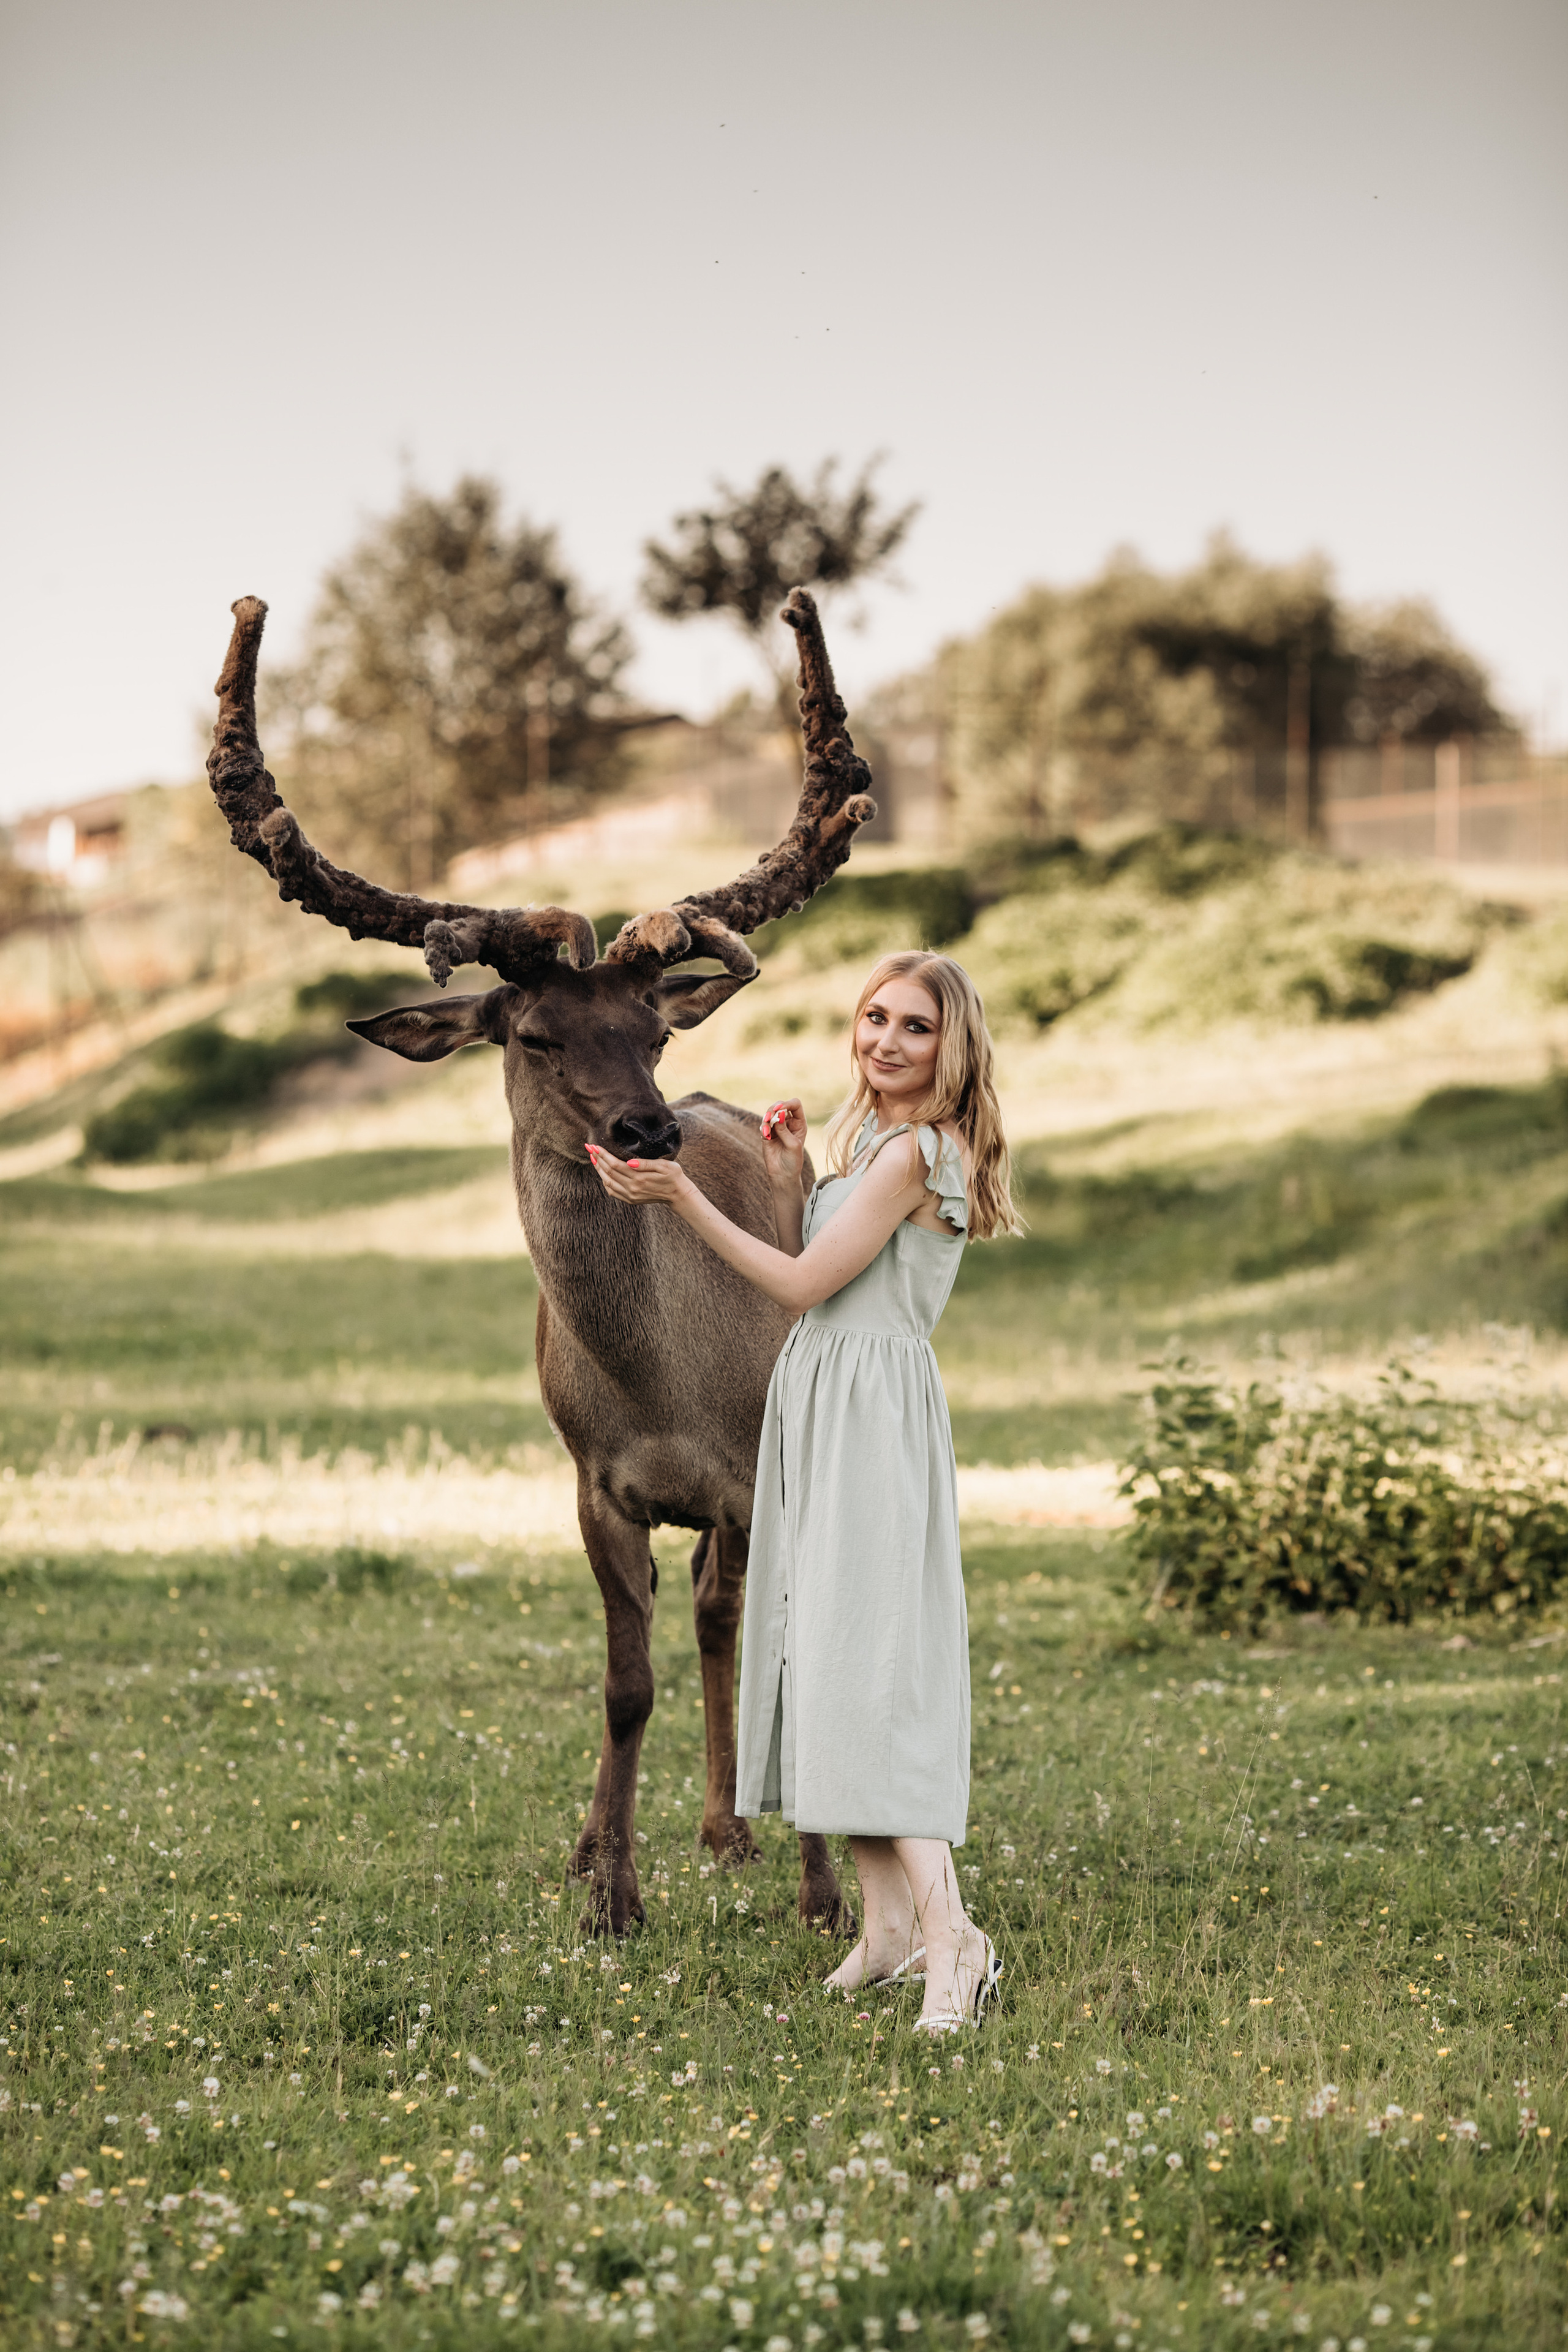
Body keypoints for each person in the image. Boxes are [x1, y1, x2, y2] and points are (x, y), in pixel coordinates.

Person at [588, 949, 1021, 2032]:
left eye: (914, 1027)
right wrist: (788, 1183)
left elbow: (797, 1284)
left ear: (952, 1045)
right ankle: (885, 1934)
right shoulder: (873, 1143)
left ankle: (953, 1940)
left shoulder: (917, 1151)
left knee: (869, 1674)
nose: (884, 1040)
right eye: (873, 1017)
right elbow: (826, 1261)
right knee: (830, 1659)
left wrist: (681, 1189)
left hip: (867, 1418)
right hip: (828, 1397)